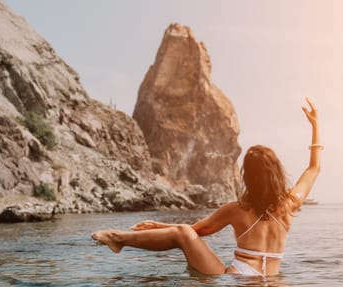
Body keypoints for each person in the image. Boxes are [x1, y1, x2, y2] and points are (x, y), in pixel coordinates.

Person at [91, 97, 322, 276]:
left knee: (182, 233)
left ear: (248, 178)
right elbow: (314, 169)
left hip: (239, 277)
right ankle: (118, 239)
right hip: (269, 283)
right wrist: (316, 125)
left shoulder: (238, 209)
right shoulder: (290, 205)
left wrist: (160, 224)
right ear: (276, 173)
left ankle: (118, 238)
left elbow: (196, 231)